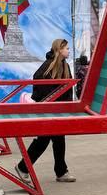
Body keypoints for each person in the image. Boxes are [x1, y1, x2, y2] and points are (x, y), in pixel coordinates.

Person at [16, 38, 77, 183]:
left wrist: (67, 106)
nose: (68, 50)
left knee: (58, 140)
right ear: (59, 50)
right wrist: (46, 101)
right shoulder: (49, 65)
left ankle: (61, 171)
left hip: (57, 110)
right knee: (43, 141)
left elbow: (67, 88)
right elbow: (38, 81)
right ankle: (23, 167)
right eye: (66, 48)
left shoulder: (65, 65)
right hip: (49, 110)